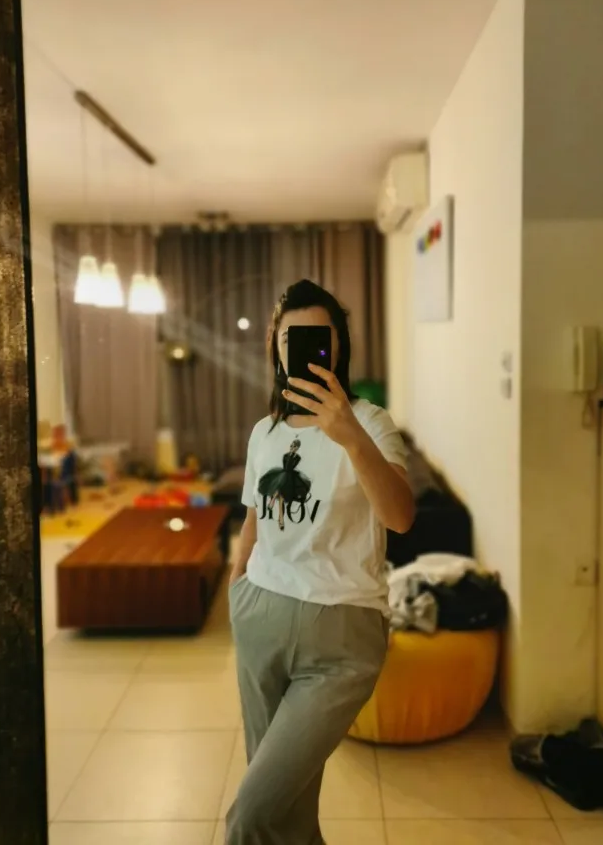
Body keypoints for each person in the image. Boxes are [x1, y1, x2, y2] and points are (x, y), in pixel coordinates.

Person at [226, 279, 415, 845]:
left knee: (252, 815)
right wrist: (238, 587)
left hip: (341, 634)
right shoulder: (264, 431)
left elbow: (400, 517)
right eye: (292, 339)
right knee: (287, 812)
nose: (304, 351)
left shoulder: (370, 422)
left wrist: (350, 437)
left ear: (339, 349)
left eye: (319, 340)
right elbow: (255, 517)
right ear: (275, 347)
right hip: (260, 615)